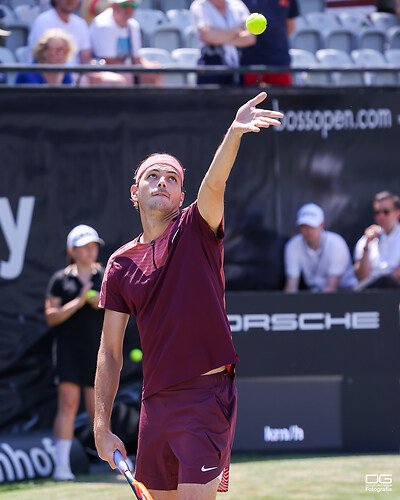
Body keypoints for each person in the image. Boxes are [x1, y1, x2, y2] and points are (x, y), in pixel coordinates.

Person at [94, 93, 283, 500]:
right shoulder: (119, 264)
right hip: (154, 407)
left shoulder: (197, 227)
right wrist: (101, 426)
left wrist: (235, 131)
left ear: (181, 197)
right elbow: (110, 350)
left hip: (205, 398)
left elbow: (215, 182)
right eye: (153, 176)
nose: (162, 182)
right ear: (135, 192)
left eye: (172, 178)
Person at [45, 224, 105, 481]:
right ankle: (61, 467)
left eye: (93, 246)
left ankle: (112, 464)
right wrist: (78, 302)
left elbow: (123, 306)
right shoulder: (60, 279)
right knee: (68, 405)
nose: (90, 251)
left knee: (98, 410)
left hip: (97, 349)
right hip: (68, 350)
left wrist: (101, 299)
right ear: (72, 250)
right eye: (84, 246)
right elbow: (51, 316)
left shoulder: (105, 274)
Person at [284, 203, 357, 292]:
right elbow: (291, 286)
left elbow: (331, 288)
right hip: (317, 297)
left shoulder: (337, 243)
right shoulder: (293, 245)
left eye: (312, 226)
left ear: (322, 225)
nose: (308, 231)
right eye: (304, 226)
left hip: (347, 294)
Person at [89, 0, 163, 86]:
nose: (129, 9)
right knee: (126, 75)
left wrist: (150, 66)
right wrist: (134, 67)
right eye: (124, 5)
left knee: (155, 71)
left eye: (133, 5)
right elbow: (109, 61)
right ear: (113, 6)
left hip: (124, 67)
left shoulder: (133, 25)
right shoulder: (103, 25)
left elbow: (136, 59)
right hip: (101, 69)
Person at [190, 0, 256, 85]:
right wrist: (237, 31)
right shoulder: (199, 5)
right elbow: (207, 36)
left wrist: (219, 37)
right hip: (210, 66)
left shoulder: (237, 4)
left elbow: (250, 38)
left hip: (238, 65)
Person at [241, 0, 299, 87]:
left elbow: (290, 27)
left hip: (280, 60)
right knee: (252, 99)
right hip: (250, 61)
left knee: (283, 100)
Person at [354, 191, 400, 289]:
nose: (381, 216)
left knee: (385, 280)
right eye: (377, 212)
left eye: (386, 211)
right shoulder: (366, 240)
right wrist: (367, 245)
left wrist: (382, 281)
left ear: (397, 213)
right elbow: (362, 277)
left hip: (396, 293)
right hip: (370, 293)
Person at [28, 0, 92, 65]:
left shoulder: (80, 23)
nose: (71, 1)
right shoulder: (43, 21)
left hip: (76, 74)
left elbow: (86, 58)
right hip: (49, 73)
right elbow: (42, 58)